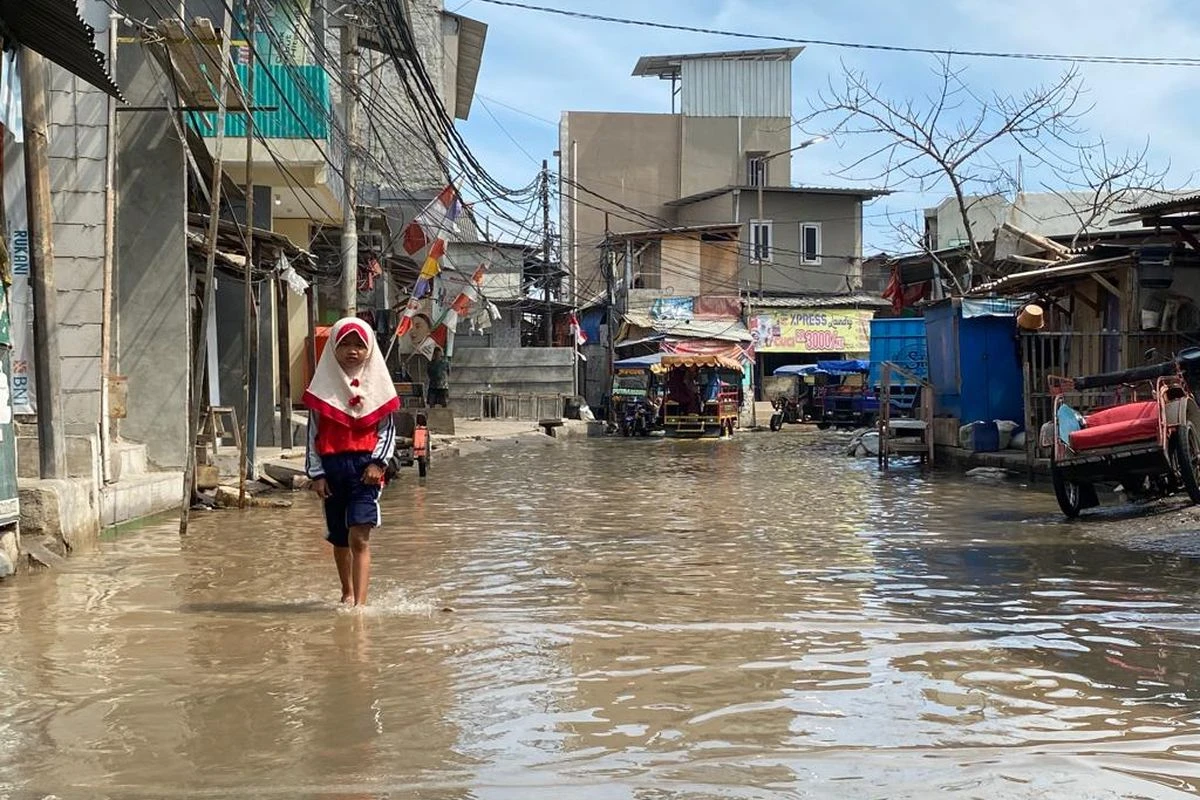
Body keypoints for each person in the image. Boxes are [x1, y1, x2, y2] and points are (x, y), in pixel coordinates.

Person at [303, 317, 400, 607]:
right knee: (340, 538)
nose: (352, 350)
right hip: (332, 470)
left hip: (365, 470)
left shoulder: (380, 388)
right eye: (345, 343)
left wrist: (378, 464)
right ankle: (346, 590)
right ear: (334, 346)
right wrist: (316, 474)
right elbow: (312, 435)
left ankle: (360, 605)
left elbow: (386, 431)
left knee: (359, 536)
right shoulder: (321, 390)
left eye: (359, 344)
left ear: (369, 348)